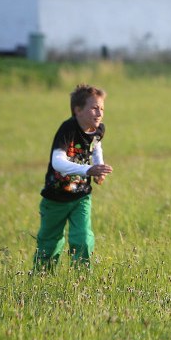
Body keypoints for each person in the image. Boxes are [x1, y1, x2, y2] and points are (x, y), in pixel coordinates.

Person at [33, 84, 113, 272]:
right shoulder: (68, 128)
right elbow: (57, 162)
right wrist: (88, 170)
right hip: (55, 198)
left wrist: (99, 168)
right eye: (94, 107)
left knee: (83, 238)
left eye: (102, 108)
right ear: (78, 110)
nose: (99, 112)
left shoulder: (98, 130)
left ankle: (82, 279)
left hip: (81, 196)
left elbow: (96, 147)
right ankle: (42, 278)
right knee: (49, 243)